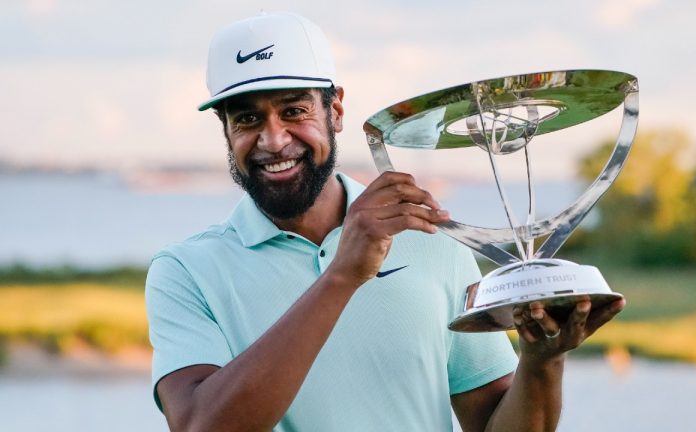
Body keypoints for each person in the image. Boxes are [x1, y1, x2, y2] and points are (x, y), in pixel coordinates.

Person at [145, 11, 624, 432]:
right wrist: (343, 273)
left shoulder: (431, 240)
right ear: (226, 130)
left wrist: (541, 361)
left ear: (335, 110)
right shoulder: (185, 272)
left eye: (294, 110)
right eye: (247, 120)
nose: (273, 140)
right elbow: (200, 426)